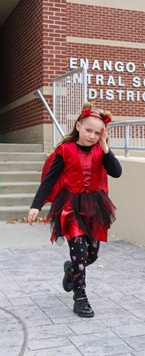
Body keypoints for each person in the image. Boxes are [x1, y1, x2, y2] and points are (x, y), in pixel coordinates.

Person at [28, 102, 122, 318]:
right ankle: (80, 298)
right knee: (79, 254)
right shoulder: (65, 150)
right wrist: (36, 205)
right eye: (88, 130)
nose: (92, 136)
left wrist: (106, 147)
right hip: (70, 207)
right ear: (78, 126)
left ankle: (71, 269)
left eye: (97, 133)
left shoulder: (101, 151)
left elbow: (116, 172)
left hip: (95, 206)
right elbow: (49, 180)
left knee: (92, 254)